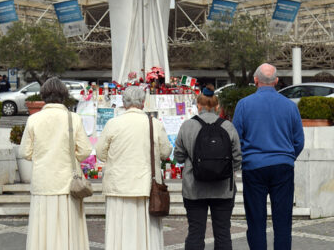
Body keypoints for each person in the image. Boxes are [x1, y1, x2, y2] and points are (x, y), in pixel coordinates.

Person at [232, 63, 304, 250]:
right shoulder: (290, 106)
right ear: (277, 81)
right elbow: (299, 141)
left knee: (256, 219)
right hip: (283, 166)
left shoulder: (244, 105)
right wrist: (288, 157)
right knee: (283, 220)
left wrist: (244, 159)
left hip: (254, 166)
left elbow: (236, 139)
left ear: (255, 80)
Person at [96, 86, 171, 250]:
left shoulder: (113, 123)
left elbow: (100, 153)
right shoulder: (154, 124)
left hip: (118, 186)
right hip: (146, 186)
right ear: (143, 102)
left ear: (123, 102)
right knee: (147, 230)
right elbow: (165, 152)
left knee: (119, 230)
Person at [20, 77, 92, 250]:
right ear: (64, 96)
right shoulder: (73, 118)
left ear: (43, 95)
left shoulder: (34, 119)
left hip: (43, 182)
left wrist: (43, 156)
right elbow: (85, 150)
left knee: (43, 227)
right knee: (68, 227)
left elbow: (25, 152)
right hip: (68, 183)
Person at [174, 84, 242, 250]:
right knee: (223, 233)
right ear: (217, 106)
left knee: (195, 232)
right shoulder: (228, 126)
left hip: (194, 188)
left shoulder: (187, 126)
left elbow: (179, 157)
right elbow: (238, 159)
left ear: (198, 105)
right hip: (223, 189)